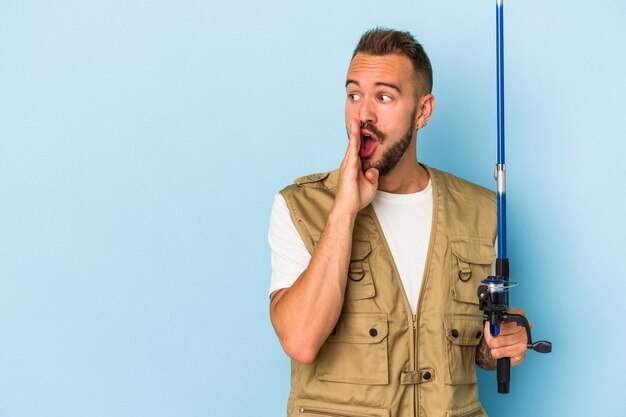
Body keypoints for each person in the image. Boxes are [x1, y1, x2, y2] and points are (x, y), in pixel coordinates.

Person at [268, 28, 529, 417]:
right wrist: (344, 210)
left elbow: (480, 350)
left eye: (384, 97)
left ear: (422, 111)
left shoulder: (482, 211)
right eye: (354, 94)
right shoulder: (299, 206)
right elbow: (301, 340)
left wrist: (507, 338)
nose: (363, 115)